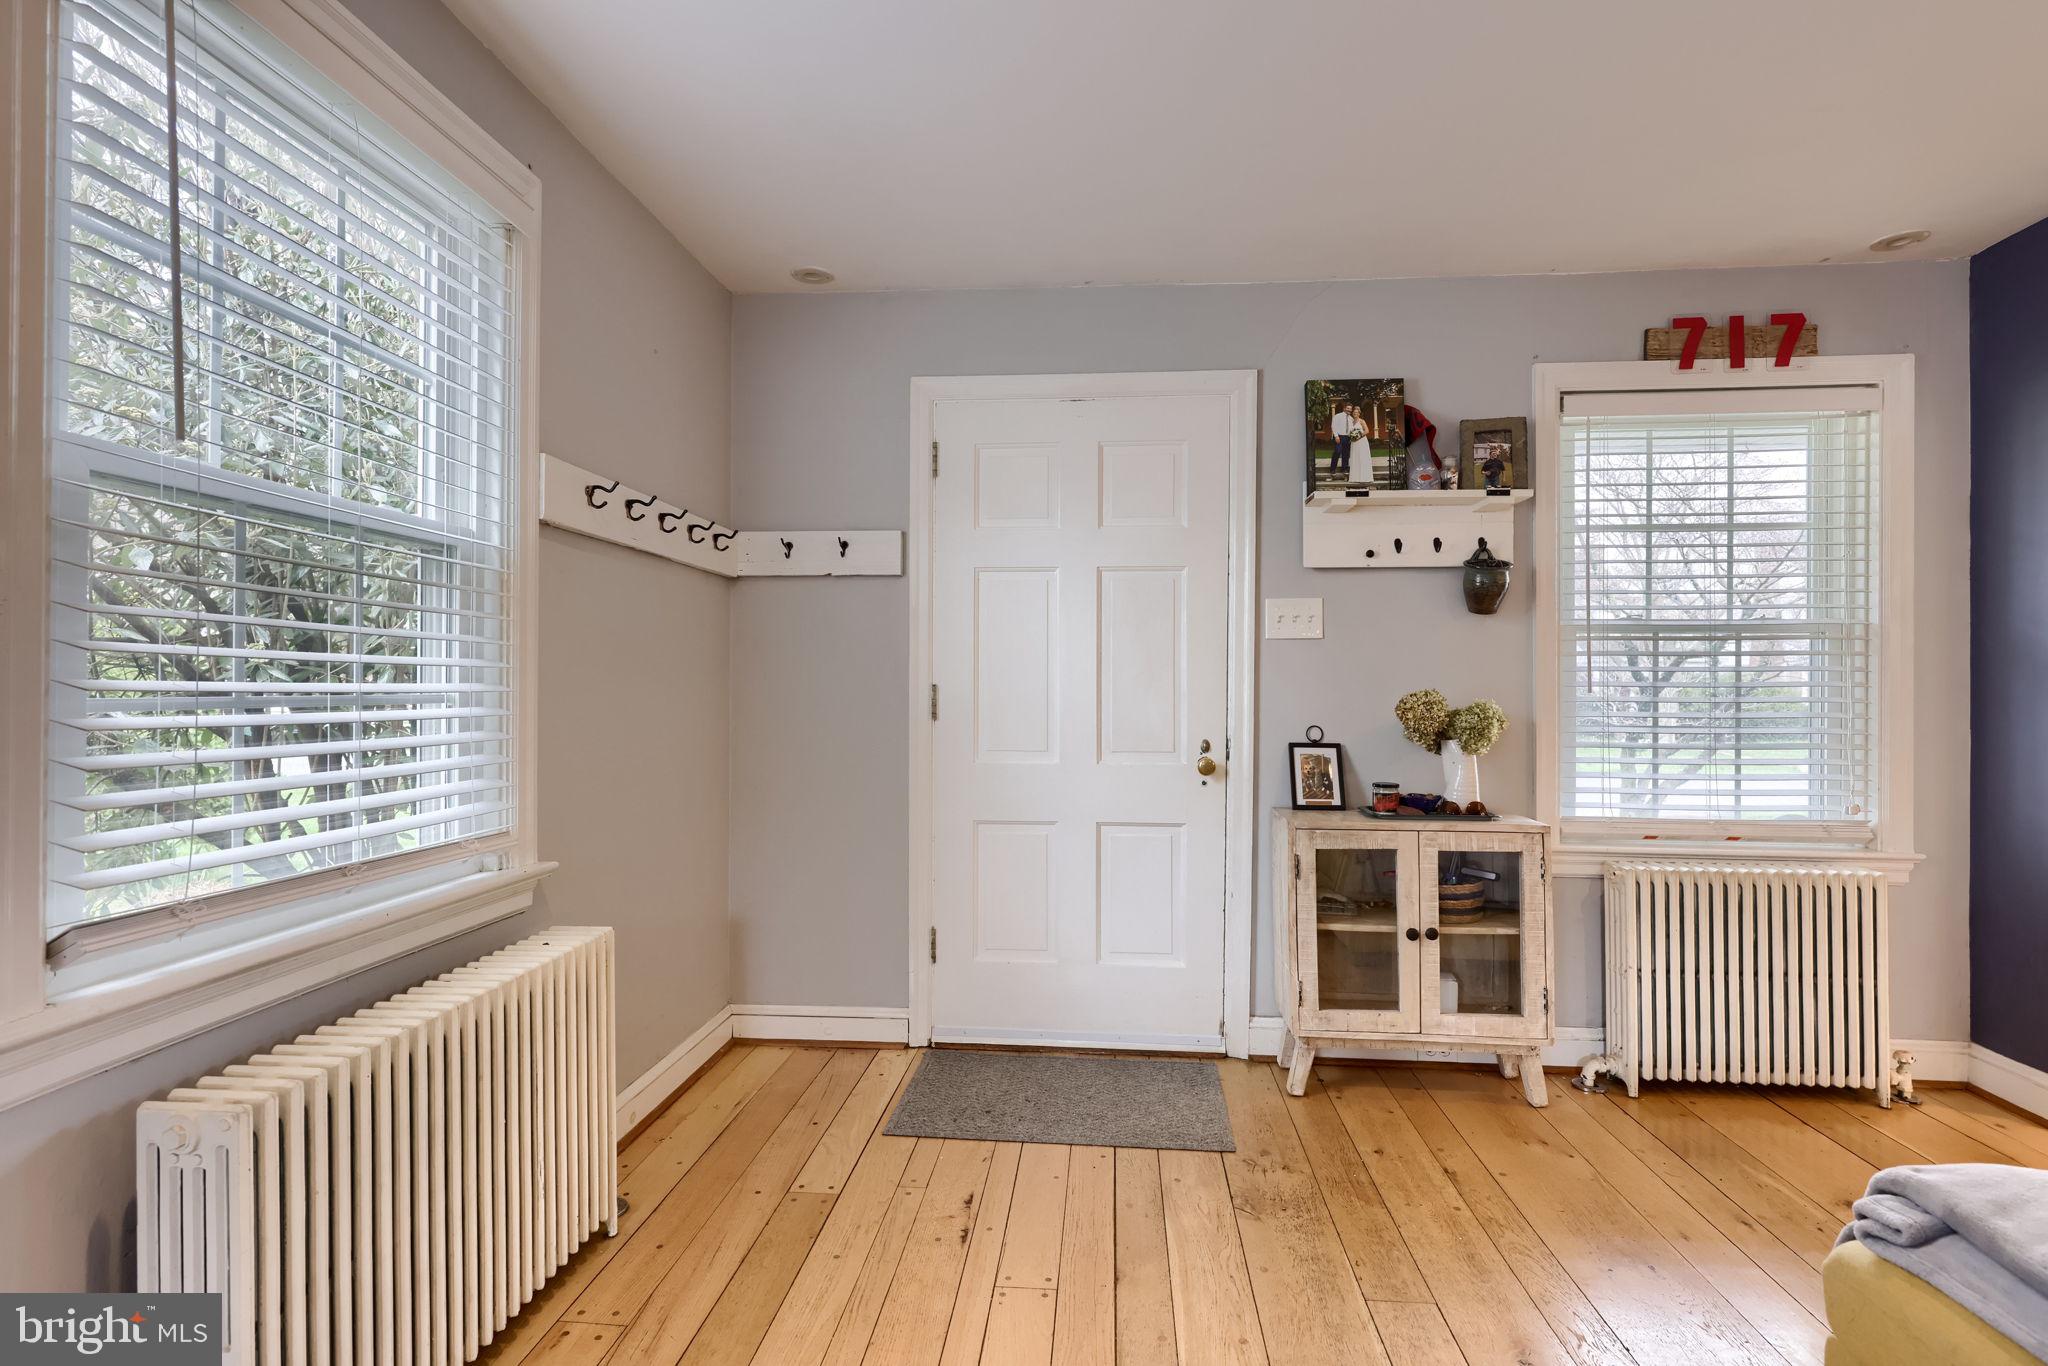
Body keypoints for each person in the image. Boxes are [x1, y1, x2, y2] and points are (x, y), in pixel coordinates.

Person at [1330, 403, 1361, 482]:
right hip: (1339, 436)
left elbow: (1351, 429)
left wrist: (1351, 437)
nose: (1349, 410)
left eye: (1350, 409)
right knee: (1337, 451)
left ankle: (1344, 469)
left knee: (1346, 454)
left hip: (1347, 437)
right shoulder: (1337, 416)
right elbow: (1333, 426)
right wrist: (1336, 435)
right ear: (1344, 408)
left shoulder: (1351, 418)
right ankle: (1332, 469)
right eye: (1348, 408)